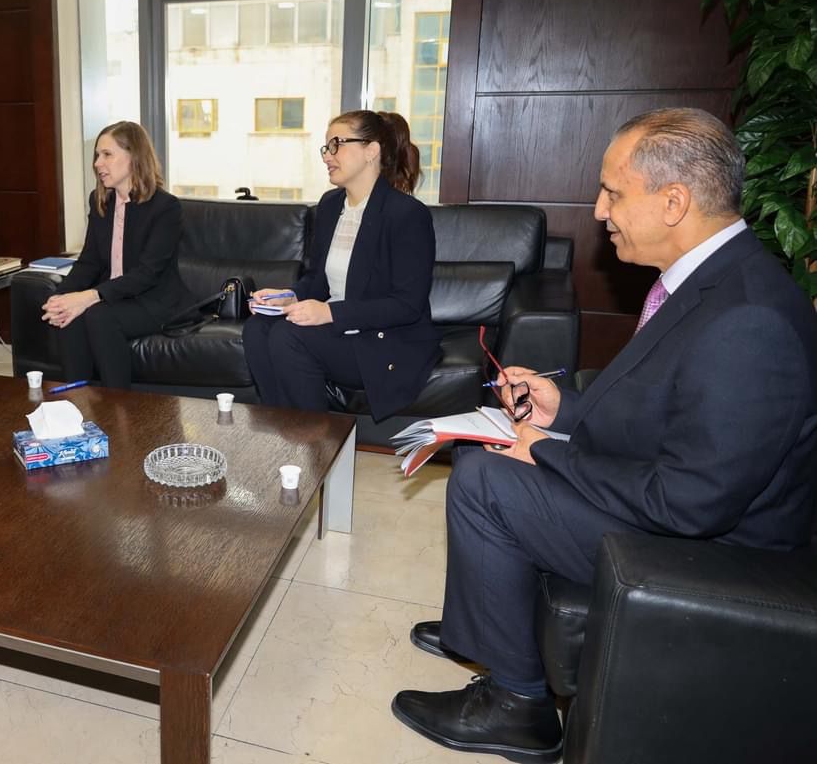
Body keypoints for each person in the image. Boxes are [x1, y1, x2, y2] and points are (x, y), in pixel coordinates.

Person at [391, 108, 817, 763]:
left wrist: (546, 452)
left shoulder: (749, 319)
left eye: (614, 193)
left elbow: (690, 503)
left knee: (484, 480)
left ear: (673, 201)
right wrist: (562, 411)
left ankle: (518, 706)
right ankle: (487, 627)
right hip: (683, 505)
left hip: (710, 550)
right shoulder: (712, 282)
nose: (598, 211)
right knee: (495, 456)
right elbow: (662, 414)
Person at [242, 110, 440, 420]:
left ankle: (316, 442)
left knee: (287, 337)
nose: (327, 156)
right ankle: (283, 428)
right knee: (257, 329)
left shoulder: (406, 214)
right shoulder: (331, 205)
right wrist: (288, 298)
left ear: (371, 151)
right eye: (326, 147)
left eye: (337, 144)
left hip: (384, 340)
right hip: (338, 331)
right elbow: (317, 281)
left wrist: (330, 313)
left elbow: (407, 305)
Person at [41, 121, 191, 388]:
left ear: (134, 156)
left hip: (154, 301)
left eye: (107, 154)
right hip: (112, 297)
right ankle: (77, 402)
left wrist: (90, 296)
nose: (98, 163)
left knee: (99, 316)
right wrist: (60, 298)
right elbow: (89, 262)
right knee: (70, 315)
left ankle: (120, 407)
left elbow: (147, 274)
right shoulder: (100, 201)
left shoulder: (166, 207)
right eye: (97, 155)